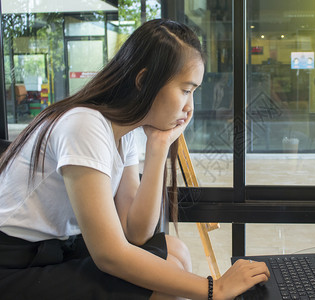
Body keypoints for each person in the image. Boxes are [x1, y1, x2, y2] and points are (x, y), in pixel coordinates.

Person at [0, 19, 269, 300]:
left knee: (174, 251)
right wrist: (215, 288)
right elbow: (110, 254)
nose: (190, 108)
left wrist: (158, 145)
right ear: (143, 82)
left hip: (56, 247)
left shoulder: (124, 131)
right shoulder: (85, 125)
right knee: (161, 286)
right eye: (186, 90)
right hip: (15, 263)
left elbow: (136, 231)